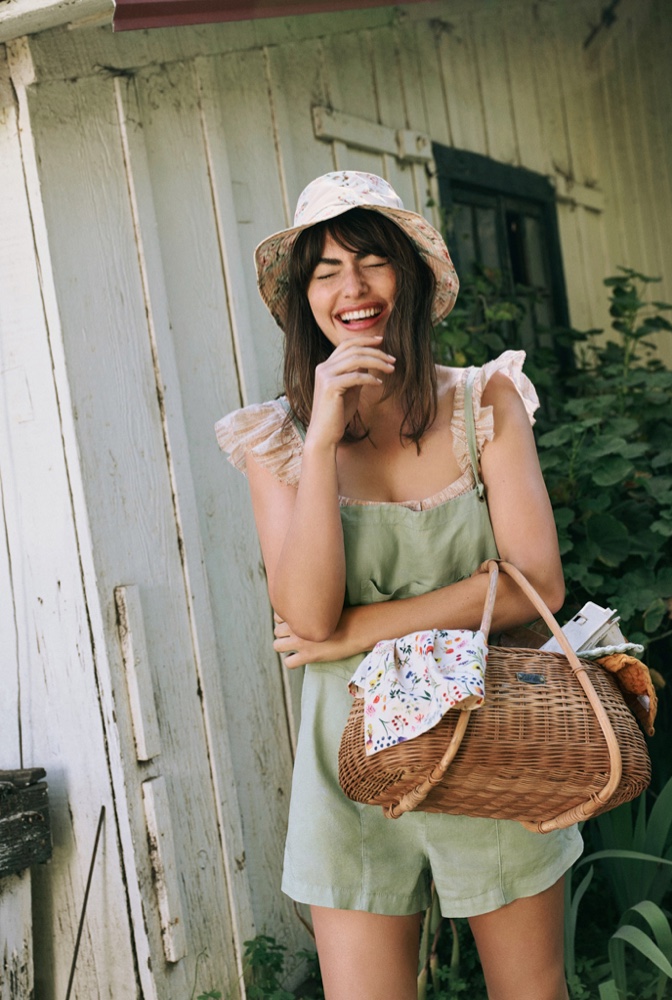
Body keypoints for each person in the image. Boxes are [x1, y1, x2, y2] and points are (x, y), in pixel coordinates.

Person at [216, 171, 582, 1000]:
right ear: (303, 297)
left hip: (493, 740)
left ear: (410, 277)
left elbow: (537, 585)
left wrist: (352, 633)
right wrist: (319, 446)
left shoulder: (483, 401)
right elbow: (306, 612)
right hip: (349, 760)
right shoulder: (276, 440)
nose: (353, 289)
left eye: (373, 261)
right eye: (326, 270)